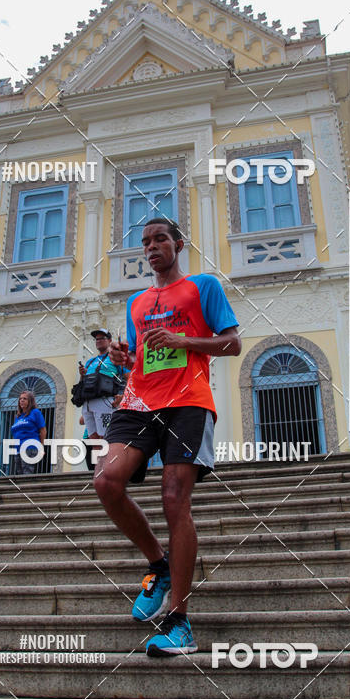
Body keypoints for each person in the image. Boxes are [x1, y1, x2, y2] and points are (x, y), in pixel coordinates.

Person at [95, 217, 241, 657]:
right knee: (106, 481)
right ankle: (158, 565)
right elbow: (141, 356)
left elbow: (232, 343)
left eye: (160, 239)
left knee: (175, 497)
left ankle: (179, 622)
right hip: (139, 400)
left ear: (178, 244)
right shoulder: (136, 302)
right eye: (146, 242)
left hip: (188, 400)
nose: (152, 247)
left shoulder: (202, 286)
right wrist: (125, 357)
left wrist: (183, 341)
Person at [79, 328, 128, 444]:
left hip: (105, 401)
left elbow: (129, 377)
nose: (99, 341)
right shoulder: (90, 362)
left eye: (102, 338)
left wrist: (123, 396)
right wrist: (82, 375)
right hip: (88, 403)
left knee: (105, 439)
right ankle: (98, 457)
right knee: (94, 441)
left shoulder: (114, 358)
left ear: (110, 340)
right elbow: (83, 383)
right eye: (96, 339)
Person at [10, 390, 46, 475]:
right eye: (20, 399)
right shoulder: (18, 416)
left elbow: (43, 430)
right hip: (18, 449)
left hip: (30, 447)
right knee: (20, 475)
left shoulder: (35, 413)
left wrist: (41, 447)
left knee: (27, 474)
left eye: (25, 399)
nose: (22, 400)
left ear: (30, 401)